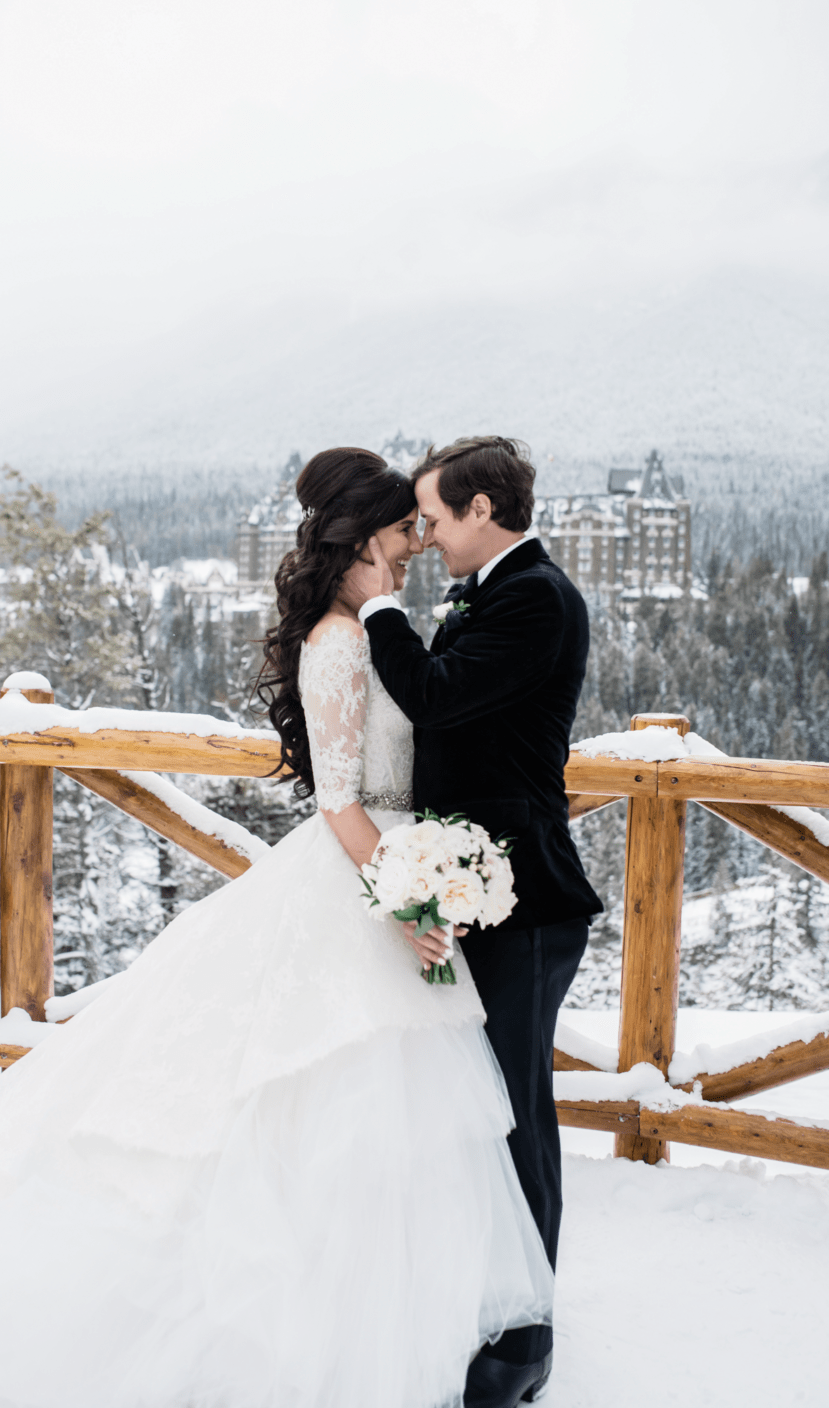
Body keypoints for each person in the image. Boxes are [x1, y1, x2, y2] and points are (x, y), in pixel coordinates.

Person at [0, 447, 553, 1408]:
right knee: (316, 1115)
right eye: (404, 526)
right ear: (367, 536)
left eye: (426, 523)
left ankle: (401, 1328)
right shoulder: (337, 643)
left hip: (403, 877)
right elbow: (337, 802)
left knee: (397, 1138)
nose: (418, 539)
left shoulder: (382, 627)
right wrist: (408, 901)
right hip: (365, 885)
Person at [341, 435, 603, 1408]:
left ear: (484, 506)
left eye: (436, 516)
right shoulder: (492, 591)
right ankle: (486, 1299)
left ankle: (523, 1343)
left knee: (517, 1118)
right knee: (478, 1109)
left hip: (526, 903)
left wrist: (375, 602)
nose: (426, 532)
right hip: (474, 891)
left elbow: (437, 695)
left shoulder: (535, 597)